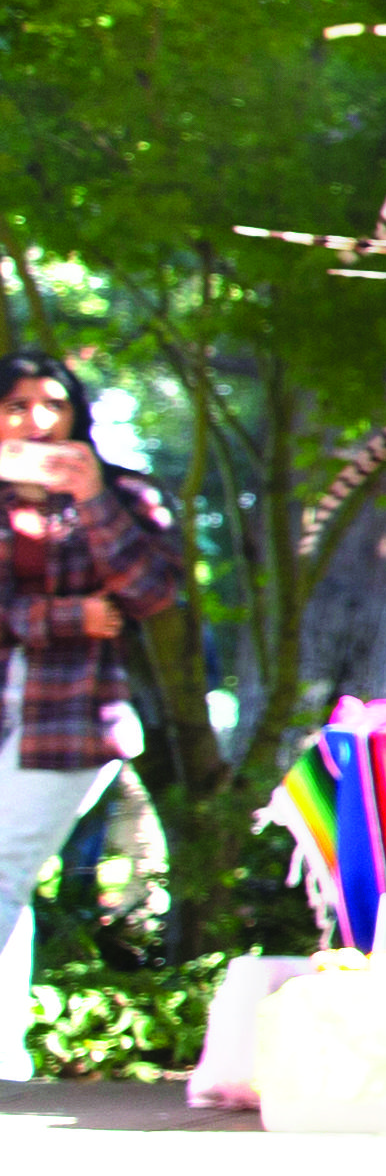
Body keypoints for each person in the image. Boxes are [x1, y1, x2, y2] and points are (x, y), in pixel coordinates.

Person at [0, 351, 186, 1079]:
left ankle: (4, 1060)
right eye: (17, 406)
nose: (37, 420)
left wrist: (93, 498)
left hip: (71, 721)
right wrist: (66, 615)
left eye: (54, 405)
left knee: (5, 869)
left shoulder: (127, 494)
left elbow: (149, 593)